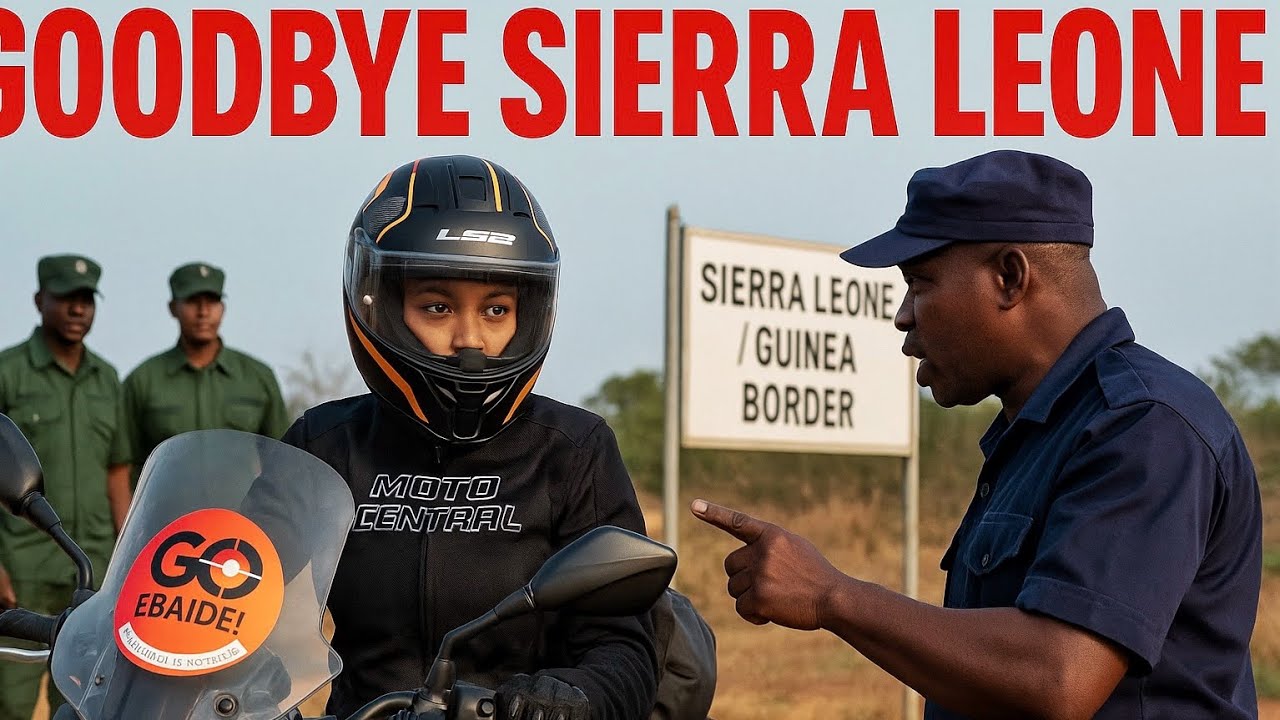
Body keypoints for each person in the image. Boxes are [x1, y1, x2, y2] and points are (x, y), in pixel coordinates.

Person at [691, 150, 1262, 719]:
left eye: (920, 283)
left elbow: (1059, 676)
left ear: (1009, 278)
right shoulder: (1037, 432)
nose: (903, 315)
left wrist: (830, 595)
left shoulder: (1145, 424)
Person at [282, 155, 659, 720]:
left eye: (496, 309)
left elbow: (624, 650)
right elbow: (237, 600)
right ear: (380, 307)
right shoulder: (324, 447)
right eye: (437, 307)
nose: (470, 340)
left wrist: (569, 699)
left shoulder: (572, 451)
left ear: (529, 313)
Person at [0, 254, 132, 720]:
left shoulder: (107, 378)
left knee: (85, 701)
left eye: (86, 300)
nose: (78, 309)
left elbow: (117, 470)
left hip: (91, 565)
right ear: (39, 300)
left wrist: (128, 552)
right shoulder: (8, 371)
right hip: (22, 564)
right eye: (65, 298)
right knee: (11, 700)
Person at [123, 261, 290, 479]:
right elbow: (122, 466)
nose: (203, 312)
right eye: (193, 301)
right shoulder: (143, 380)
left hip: (240, 503)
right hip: (169, 502)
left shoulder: (258, 377)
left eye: (212, 301)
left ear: (223, 308)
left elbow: (283, 461)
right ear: (173, 308)